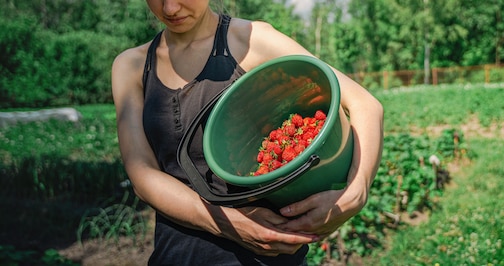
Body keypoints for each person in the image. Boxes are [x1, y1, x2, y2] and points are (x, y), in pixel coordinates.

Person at [111, 0, 383, 265]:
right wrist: (227, 223)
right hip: (176, 253)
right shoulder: (132, 66)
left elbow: (364, 104)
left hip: (264, 256)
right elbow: (142, 173)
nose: (170, 8)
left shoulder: (251, 40)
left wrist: (356, 192)